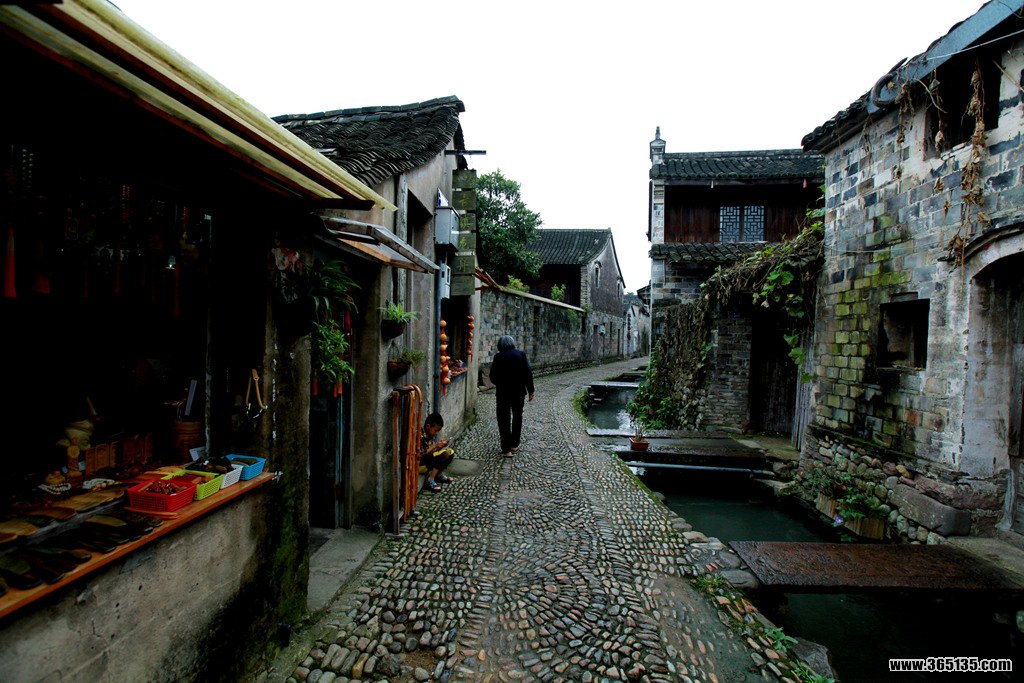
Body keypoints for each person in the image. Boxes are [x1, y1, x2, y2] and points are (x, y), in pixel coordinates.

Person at [488, 335, 535, 457]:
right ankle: (514, 445)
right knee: (517, 417)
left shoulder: (498, 357)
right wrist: (531, 391)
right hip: (519, 392)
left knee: (503, 419)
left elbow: (492, 376)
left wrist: (501, 383)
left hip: (503, 393)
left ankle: (506, 449)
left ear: (500, 345)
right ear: (512, 343)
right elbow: (527, 373)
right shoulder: (521, 355)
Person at [420, 411, 454, 492]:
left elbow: (432, 452)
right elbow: (421, 454)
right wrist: (435, 446)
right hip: (420, 464)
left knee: (450, 452)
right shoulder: (420, 435)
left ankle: (438, 475)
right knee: (444, 455)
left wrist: (440, 447)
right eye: (436, 430)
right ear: (428, 426)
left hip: (428, 460)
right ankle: (430, 480)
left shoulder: (430, 434)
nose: (437, 433)